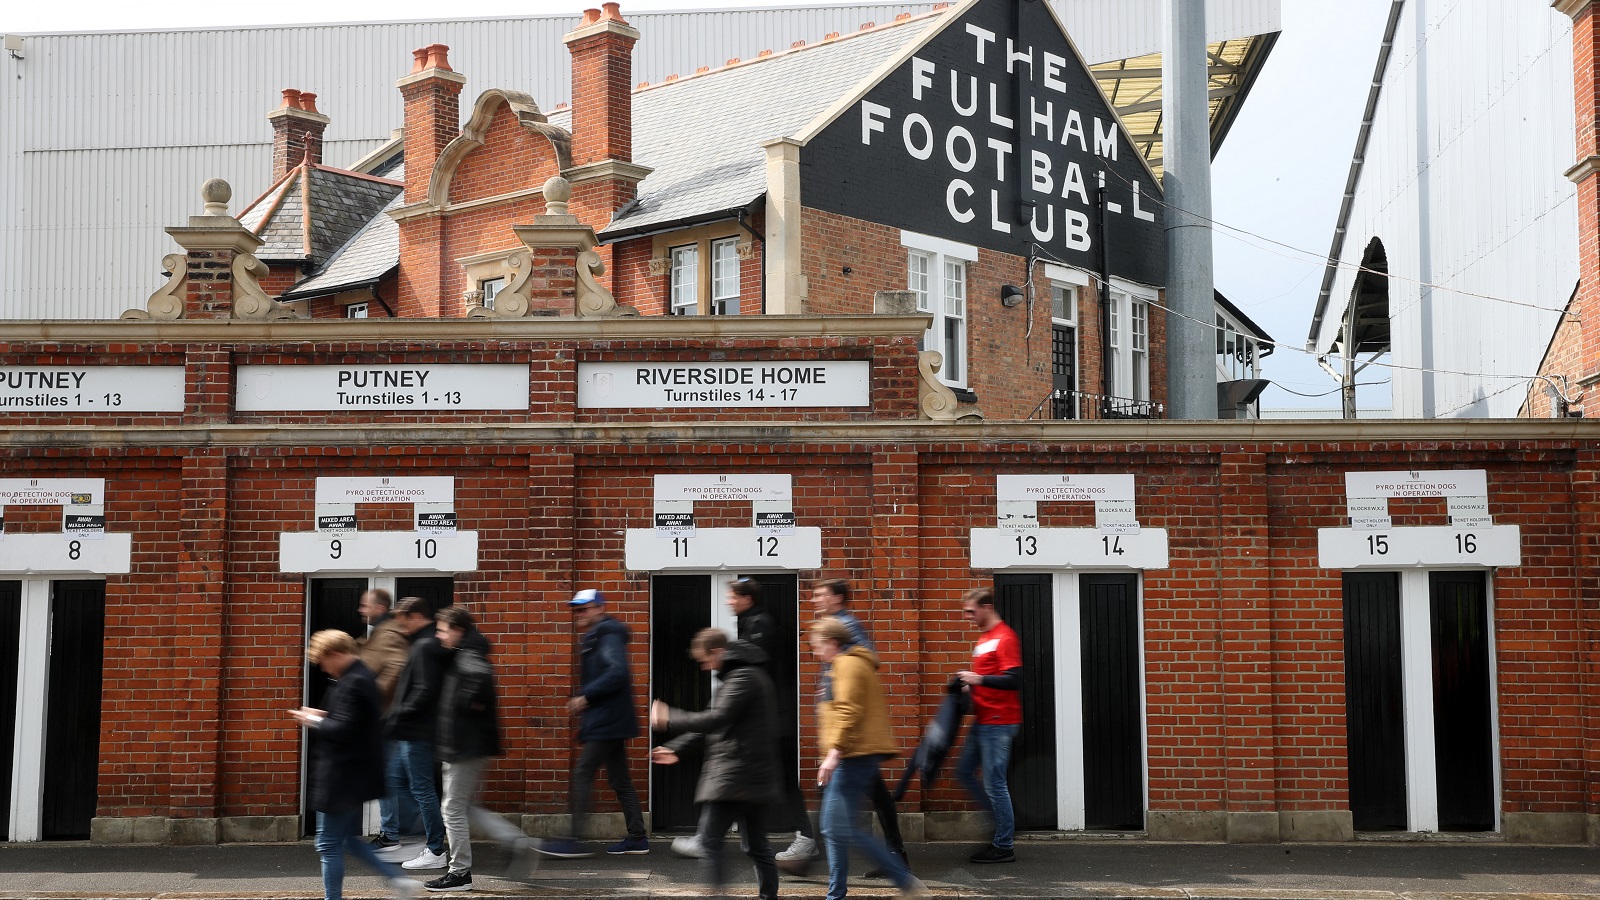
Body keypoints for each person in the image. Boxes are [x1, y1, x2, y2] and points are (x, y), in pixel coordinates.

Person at [674, 578, 816, 864]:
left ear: (746, 598)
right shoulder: (751, 622)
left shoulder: (760, 624)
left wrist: (727, 651)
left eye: (733, 596)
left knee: (766, 778)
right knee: (738, 778)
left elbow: (756, 660)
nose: (728, 601)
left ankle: (802, 838)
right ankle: (742, 841)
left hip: (771, 719)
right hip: (768, 717)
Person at [779, 579, 905, 878]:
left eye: (820, 595)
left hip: (850, 737)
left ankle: (816, 856)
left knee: (837, 807)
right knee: (866, 798)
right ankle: (894, 858)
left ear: (836, 598)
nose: (814, 600)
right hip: (848, 736)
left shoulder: (845, 628)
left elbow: (863, 669)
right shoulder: (834, 626)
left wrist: (835, 687)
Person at [649, 628, 780, 900]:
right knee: (757, 847)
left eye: (705, 660)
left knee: (710, 842)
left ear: (718, 652)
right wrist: (675, 747)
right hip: (750, 777)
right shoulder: (743, 677)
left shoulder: (743, 678)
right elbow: (714, 721)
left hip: (736, 777)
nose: (705, 667)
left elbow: (716, 719)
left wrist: (670, 716)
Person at [292, 629, 418, 900]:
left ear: (336, 654)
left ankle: (335, 897)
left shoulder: (355, 681)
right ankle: (398, 880)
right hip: (350, 775)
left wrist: (313, 720)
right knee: (346, 840)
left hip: (342, 777)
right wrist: (323, 715)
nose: (322, 667)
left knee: (328, 844)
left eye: (323, 660)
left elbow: (345, 730)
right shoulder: (357, 677)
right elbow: (352, 721)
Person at [808, 617, 924, 900]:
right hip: (850, 754)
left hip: (852, 755)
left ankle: (902, 879)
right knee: (834, 828)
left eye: (817, 645)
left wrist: (833, 754)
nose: (815, 651)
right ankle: (837, 894)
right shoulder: (841, 666)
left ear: (832, 642)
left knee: (839, 827)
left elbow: (849, 711)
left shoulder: (848, 664)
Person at [427, 606, 541, 892]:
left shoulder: (470, 656)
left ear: (458, 630)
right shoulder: (466, 652)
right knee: (463, 806)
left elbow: (478, 682)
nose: (439, 636)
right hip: (467, 745)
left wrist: (466, 703)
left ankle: (459, 872)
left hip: (464, 746)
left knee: (452, 809)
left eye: (442, 630)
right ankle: (515, 841)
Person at [539, 588, 649, 859]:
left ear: (599, 608)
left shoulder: (607, 635)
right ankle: (637, 837)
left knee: (583, 773)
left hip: (607, 720)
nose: (579, 613)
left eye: (584, 608)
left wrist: (586, 696)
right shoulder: (600, 635)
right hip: (611, 719)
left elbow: (617, 672)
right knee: (620, 780)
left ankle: (572, 840)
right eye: (576, 609)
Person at [954, 587, 1023, 864]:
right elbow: (985, 677)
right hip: (983, 719)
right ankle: (1001, 821)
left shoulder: (1005, 637)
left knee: (995, 784)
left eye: (971, 611)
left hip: (999, 722)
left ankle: (1004, 845)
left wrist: (978, 680)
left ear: (986, 607)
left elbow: (1014, 679)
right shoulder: (985, 638)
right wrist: (968, 688)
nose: (967, 616)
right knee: (963, 771)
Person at [385, 597, 450, 872]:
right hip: (411, 730)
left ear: (415, 616)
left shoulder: (425, 645)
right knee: (395, 779)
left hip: (418, 730)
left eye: (403, 622)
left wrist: (398, 715)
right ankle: (424, 836)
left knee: (422, 789)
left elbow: (425, 690)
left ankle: (435, 848)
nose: (401, 628)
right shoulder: (425, 642)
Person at [356, 589, 420, 862]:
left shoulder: (389, 633)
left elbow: (395, 669)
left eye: (365, 606)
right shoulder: (381, 633)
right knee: (392, 778)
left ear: (380, 608)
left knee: (391, 779)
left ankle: (399, 833)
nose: (361, 610)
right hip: (385, 718)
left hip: (387, 718)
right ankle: (397, 833)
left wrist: (373, 696)